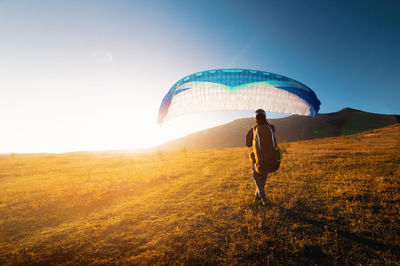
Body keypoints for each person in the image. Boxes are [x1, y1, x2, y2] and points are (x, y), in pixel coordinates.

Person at [246, 109, 277, 206]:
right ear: (265, 116)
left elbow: (247, 144)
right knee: (263, 177)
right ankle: (257, 197)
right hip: (270, 157)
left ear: (255, 117)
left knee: (255, 175)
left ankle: (263, 197)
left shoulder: (253, 129)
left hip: (257, 158)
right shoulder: (271, 127)